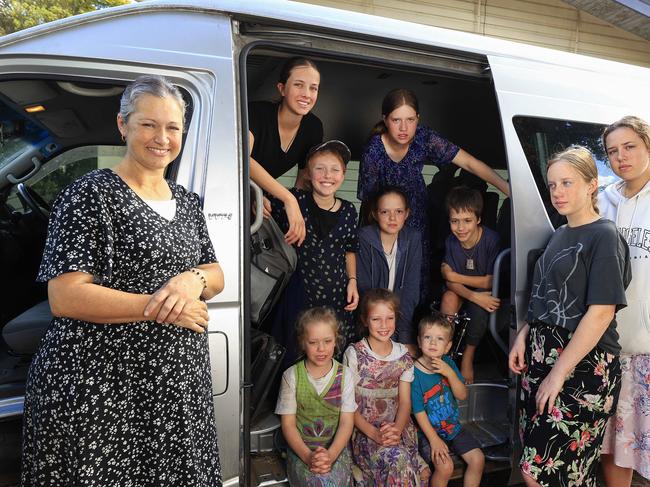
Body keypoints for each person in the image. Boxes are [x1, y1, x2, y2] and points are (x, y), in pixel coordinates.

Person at [21, 75, 225, 486]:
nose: (161, 138)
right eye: (148, 124)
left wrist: (192, 280)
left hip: (175, 387)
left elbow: (216, 274)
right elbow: (65, 297)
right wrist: (163, 308)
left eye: (172, 127)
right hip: (104, 387)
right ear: (123, 125)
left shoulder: (186, 202)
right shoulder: (89, 194)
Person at [508, 146, 631, 487]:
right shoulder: (559, 235)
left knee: (538, 473)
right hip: (541, 358)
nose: (557, 192)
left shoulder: (604, 236)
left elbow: (602, 311)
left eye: (567, 183)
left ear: (592, 185)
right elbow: (545, 298)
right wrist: (523, 334)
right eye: (552, 185)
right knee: (565, 474)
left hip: (582, 367)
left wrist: (558, 373)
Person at [357, 88, 509, 299]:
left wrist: (508, 190)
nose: (404, 128)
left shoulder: (423, 137)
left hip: (418, 219)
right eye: (396, 120)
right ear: (385, 119)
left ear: (418, 118)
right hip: (386, 225)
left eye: (410, 120)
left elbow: (469, 162)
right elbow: (368, 202)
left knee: (416, 289)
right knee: (385, 291)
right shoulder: (373, 151)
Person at [271, 140, 359, 366]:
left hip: (337, 297)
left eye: (335, 169)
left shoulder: (349, 210)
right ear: (309, 173)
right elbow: (259, 199)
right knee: (297, 353)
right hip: (300, 294)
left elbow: (350, 250)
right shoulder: (293, 201)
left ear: (344, 174)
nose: (327, 175)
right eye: (320, 168)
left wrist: (352, 281)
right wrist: (258, 199)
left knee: (332, 353)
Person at [599, 116, 650, 486]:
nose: (621, 157)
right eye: (613, 151)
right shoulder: (602, 199)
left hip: (648, 349)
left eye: (630, 146)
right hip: (612, 345)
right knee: (617, 444)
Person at [344, 289, 429, 486]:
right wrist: (374, 434)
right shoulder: (355, 354)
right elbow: (348, 405)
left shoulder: (403, 356)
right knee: (398, 461)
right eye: (376, 319)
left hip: (399, 430)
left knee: (409, 465)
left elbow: (405, 402)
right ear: (365, 320)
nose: (384, 326)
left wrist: (397, 430)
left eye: (389, 318)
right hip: (366, 430)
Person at [275, 307, 356, 485]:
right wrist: (308, 456)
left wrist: (331, 455)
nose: (321, 349)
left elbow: (346, 422)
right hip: (301, 450)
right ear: (303, 342)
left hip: (335, 449)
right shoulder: (291, 376)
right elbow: (288, 425)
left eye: (327, 341)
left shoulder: (346, 376)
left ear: (336, 340)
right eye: (313, 342)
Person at [249, 57, 323, 246]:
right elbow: (242, 160)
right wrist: (284, 198)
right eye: (299, 85)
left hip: (260, 200)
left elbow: (303, 180)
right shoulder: (255, 113)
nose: (307, 94)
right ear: (282, 88)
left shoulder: (313, 128)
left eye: (313, 88)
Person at [412, 312, 484, 487]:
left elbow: (462, 395)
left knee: (478, 459)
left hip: (452, 428)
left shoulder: (448, 364)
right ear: (420, 342)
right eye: (428, 337)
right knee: (445, 467)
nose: (433, 343)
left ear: (448, 346)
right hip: (427, 433)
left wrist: (449, 373)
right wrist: (434, 440)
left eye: (439, 339)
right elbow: (418, 411)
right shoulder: (413, 373)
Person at [439, 186, 500, 384]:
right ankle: (443, 352)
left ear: (478, 219)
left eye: (467, 221)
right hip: (461, 292)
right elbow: (449, 283)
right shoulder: (451, 241)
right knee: (448, 297)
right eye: (454, 221)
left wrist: (455, 276)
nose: (461, 228)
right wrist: (471, 294)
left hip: (484, 290)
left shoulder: (491, 240)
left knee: (480, 303)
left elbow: (490, 280)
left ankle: (468, 355)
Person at [357, 185, 422, 354]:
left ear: (407, 213)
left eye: (399, 211)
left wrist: (405, 337)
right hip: (370, 322)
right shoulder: (364, 238)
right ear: (375, 214)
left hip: (399, 320)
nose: (392, 217)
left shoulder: (413, 238)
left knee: (408, 357)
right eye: (385, 212)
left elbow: (411, 291)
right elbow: (364, 288)